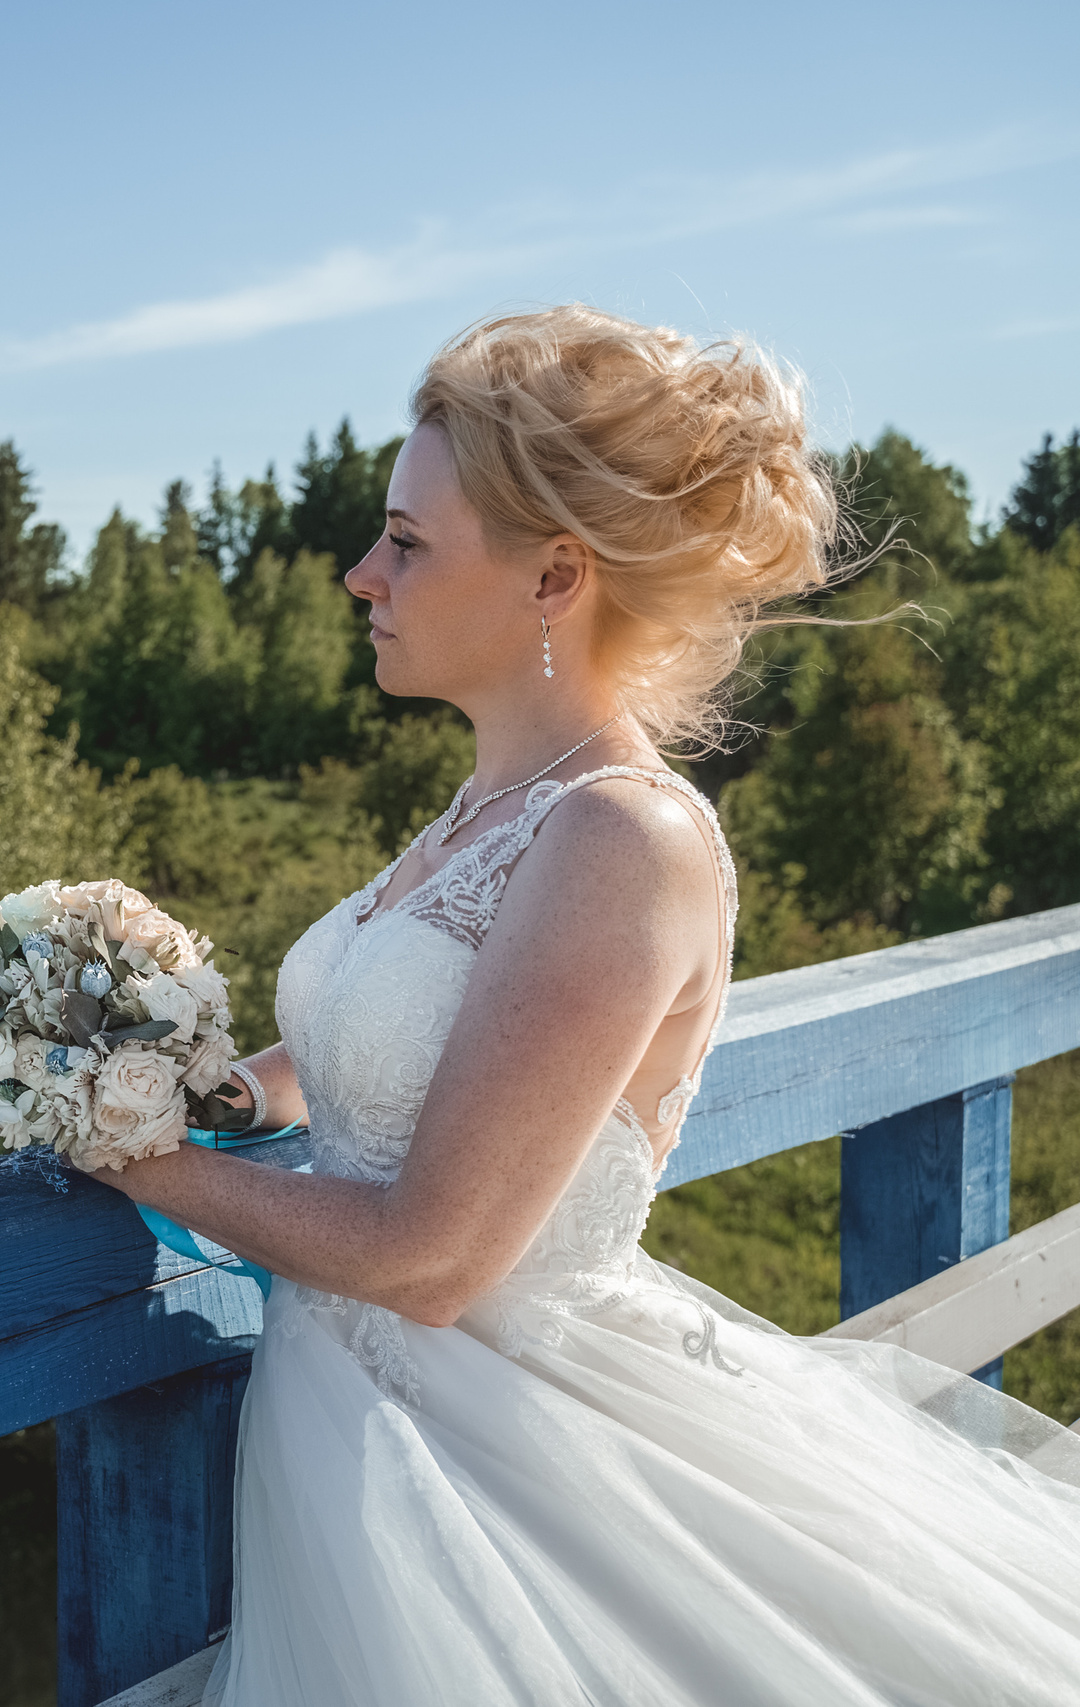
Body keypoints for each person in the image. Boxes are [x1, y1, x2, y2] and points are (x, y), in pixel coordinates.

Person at [79, 305, 1080, 1705]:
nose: (363, 574)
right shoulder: (492, 808)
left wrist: (131, 1158)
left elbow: (432, 1255)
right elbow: (391, 1039)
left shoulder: (622, 841)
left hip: (515, 1486)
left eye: (408, 542)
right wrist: (224, 1087)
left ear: (555, 576)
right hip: (359, 1453)